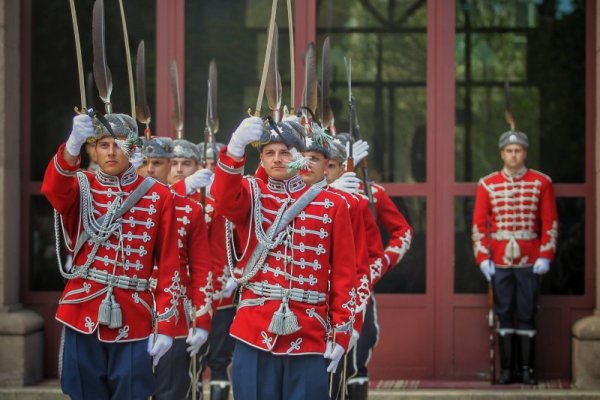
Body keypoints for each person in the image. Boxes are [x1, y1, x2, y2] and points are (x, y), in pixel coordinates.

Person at [211, 116, 356, 400]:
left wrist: (342, 330)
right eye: (269, 153)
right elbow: (223, 197)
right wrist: (235, 149)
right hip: (254, 329)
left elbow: (343, 274)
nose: (277, 159)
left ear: (301, 157)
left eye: (285, 152)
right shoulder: (251, 195)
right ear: (262, 160)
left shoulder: (333, 204)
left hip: (309, 330)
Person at [42, 113, 179, 399]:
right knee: (81, 391)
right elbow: (53, 189)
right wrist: (71, 146)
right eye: (104, 144)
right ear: (94, 148)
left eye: (119, 144)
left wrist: (165, 325)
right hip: (82, 309)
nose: (112, 152)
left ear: (133, 149)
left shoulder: (159, 196)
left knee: (132, 391)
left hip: (135, 314)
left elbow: (169, 266)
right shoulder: (81, 186)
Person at [330, 133, 413, 400]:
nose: (334, 167)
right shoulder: (316, 195)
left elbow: (403, 231)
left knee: (361, 345)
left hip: (360, 282)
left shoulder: (372, 193)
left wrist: (382, 263)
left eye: (338, 162)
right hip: (323, 286)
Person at [472, 129, 558, 385]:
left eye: (518, 150)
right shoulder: (487, 184)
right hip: (498, 259)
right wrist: (482, 257)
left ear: (525, 153)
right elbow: (479, 225)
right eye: (509, 151)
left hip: (530, 259)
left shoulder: (541, 182)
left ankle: (527, 370)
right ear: (502, 154)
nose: (513, 154)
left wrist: (546, 254)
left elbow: (549, 222)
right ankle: (507, 370)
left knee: (527, 312)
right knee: (504, 312)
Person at [140, 136, 213, 399]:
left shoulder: (190, 209)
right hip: (129, 311)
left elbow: (202, 269)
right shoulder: (120, 205)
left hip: (174, 316)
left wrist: (201, 319)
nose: (149, 169)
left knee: (170, 391)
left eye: (157, 163)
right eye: (144, 163)